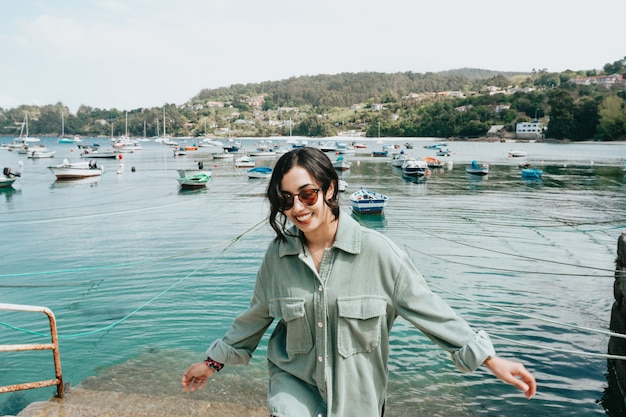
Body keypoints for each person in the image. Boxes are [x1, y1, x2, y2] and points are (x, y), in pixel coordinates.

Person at [182, 147, 536, 416]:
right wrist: (212, 363)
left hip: (359, 398)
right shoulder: (278, 257)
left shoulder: (380, 253)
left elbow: (431, 311)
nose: (298, 208)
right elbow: (255, 318)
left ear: (330, 189)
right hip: (292, 385)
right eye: (286, 199)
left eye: (307, 194)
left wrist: (490, 360)